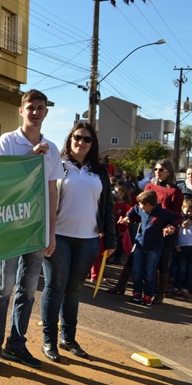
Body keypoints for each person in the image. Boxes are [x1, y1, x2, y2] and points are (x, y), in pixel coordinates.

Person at [0, 89, 63, 374]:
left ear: (46, 112)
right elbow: (1, 179)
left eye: (40, 108)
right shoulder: (7, 141)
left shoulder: (52, 148)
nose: (35, 112)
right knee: (3, 288)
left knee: (28, 291)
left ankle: (16, 344)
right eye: (31, 107)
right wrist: (31, 156)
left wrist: (51, 232)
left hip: (37, 228)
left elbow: (52, 191)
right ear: (21, 110)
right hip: (9, 226)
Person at [39, 123, 115, 362]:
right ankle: (49, 340)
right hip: (58, 237)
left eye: (87, 139)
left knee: (73, 291)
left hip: (88, 240)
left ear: (93, 144)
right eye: (77, 137)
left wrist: (111, 238)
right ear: (70, 138)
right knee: (54, 288)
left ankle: (68, 338)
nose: (81, 142)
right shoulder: (57, 164)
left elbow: (108, 205)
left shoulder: (100, 171)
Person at [118, 190, 181, 306]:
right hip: (140, 245)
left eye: (141, 204)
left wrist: (170, 226)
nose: (140, 206)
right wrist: (127, 217)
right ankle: (136, 293)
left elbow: (178, 217)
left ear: (148, 205)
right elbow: (134, 209)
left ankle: (148, 295)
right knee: (137, 271)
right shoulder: (141, 209)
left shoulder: (163, 213)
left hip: (154, 248)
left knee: (150, 273)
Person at [173, 199, 192, 297]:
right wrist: (175, 243)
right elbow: (175, 232)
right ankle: (177, 286)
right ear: (182, 208)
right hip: (182, 246)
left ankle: (186, 288)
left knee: (190, 270)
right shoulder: (178, 219)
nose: (189, 213)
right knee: (181, 269)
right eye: (188, 211)